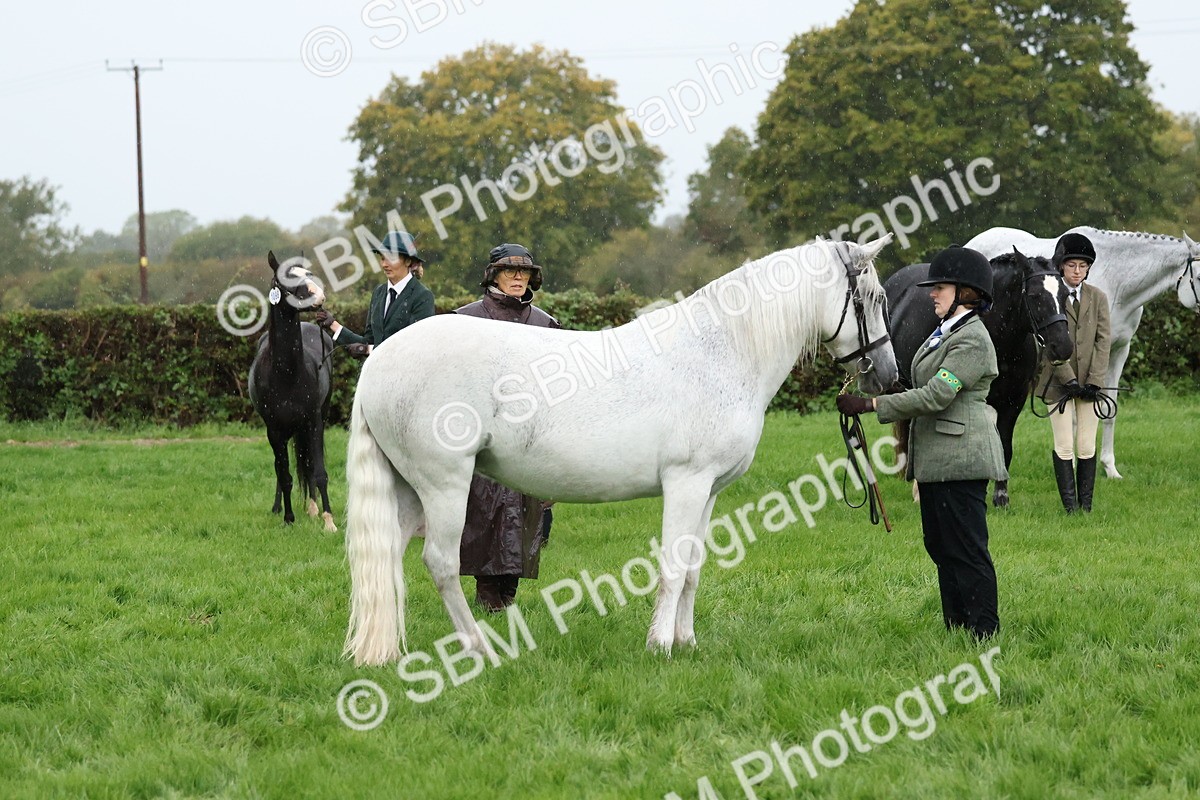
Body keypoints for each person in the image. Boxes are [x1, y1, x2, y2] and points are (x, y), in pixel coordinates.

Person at [837, 246, 1007, 640]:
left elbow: (936, 396)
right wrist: (894, 388)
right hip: (936, 458)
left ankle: (984, 630)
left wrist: (871, 404)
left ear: (967, 292)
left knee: (966, 549)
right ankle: (957, 626)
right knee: (940, 545)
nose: (932, 293)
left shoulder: (974, 340)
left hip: (962, 458)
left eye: (941, 288)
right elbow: (926, 386)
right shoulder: (944, 332)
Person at [455, 243, 560, 611]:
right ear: (493, 275)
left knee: (525, 516)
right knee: (482, 512)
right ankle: (487, 595)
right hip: (481, 436)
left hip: (530, 440)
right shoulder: (466, 320)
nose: (519, 277)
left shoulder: (546, 324)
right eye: (510, 270)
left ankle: (508, 594)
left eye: (525, 271)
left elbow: (560, 389)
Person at [1035, 232, 1111, 513]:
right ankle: (1069, 508)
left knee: (1087, 446)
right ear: (1061, 267)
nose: (1077, 271)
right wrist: (1069, 379)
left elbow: (1103, 342)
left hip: (1090, 385)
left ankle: (1086, 507)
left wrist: (1094, 381)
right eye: (1071, 265)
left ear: (1089, 267)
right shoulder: (1052, 296)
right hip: (1059, 384)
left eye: (1082, 266)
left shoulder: (1098, 298)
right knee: (1064, 445)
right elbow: (1050, 343)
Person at [314, 231, 435, 355]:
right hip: (376, 373)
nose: (384, 264)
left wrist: (368, 350)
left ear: (408, 261)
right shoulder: (379, 292)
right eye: (382, 258)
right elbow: (368, 341)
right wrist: (333, 325)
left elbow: (414, 346)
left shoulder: (423, 296)